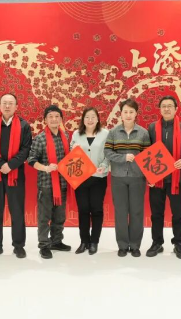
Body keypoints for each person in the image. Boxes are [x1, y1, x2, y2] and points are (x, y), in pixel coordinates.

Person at [0, 93, 32, 260]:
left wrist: (10, 165)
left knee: (17, 211)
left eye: (11, 103)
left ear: (16, 106)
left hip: (15, 174)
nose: (7, 106)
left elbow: (26, 149)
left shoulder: (24, 126)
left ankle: (19, 246)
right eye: (4, 103)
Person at [146, 96, 181, 259]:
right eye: (164, 106)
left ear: (176, 109)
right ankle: (157, 243)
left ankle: (178, 243)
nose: (166, 109)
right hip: (156, 180)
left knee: (177, 213)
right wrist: (149, 176)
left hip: (175, 179)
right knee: (156, 214)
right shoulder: (152, 128)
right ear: (160, 109)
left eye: (170, 106)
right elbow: (146, 152)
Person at [104, 98, 151, 257]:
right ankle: (123, 245)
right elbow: (107, 152)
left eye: (131, 112)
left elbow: (148, 156)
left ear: (136, 113)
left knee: (137, 212)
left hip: (138, 177)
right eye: (125, 112)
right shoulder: (113, 132)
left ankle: (135, 246)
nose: (128, 114)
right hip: (118, 177)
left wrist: (149, 176)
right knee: (121, 212)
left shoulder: (143, 133)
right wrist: (123, 158)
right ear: (121, 114)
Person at [28, 105, 72, 259]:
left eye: (57, 116)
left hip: (62, 183)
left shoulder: (65, 136)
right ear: (45, 120)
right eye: (50, 117)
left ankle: (56, 241)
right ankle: (44, 245)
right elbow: (31, 160)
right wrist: (46, 168)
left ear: (61, 119)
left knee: (59, 216)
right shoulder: (40, 138)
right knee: (44, 217)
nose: (54, 119)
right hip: (46, 184)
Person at [70, 107, 109, 255]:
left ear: (98, 119)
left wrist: (104, 166)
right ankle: (84, 241)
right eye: (87, 117)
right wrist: (73, 148)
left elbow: (108, 153)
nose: (90, 120)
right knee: (83, 209)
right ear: (83, 119)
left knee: (96, 209)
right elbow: (71, 152)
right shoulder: (76, 134)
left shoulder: (105, 134)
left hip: (99, 177)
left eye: (93, 117)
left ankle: (94, 242)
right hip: (81, 177)